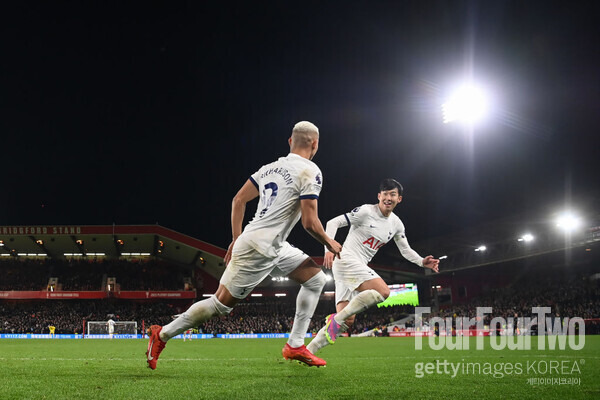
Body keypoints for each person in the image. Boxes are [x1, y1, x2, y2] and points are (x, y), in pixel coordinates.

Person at [146, 121, 342, 369]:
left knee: (315, 280)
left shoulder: (269, 168)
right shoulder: (311, 171)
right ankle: (161, 334)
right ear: (315, 144)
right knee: (220, 305)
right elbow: (310, 222)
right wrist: (330, 242)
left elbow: (238, 200)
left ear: (290, 142)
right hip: (260, 248)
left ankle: (295, 344)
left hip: (271, 244)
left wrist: (236, 238)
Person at [307, 179, 439, 355]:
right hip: (347, 258)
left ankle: (308, 350)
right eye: (385, 194)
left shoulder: (396, 224)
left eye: (392, 194)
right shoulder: (365, 211)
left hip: (353, 267)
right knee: (383, 291)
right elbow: (333, 223)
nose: (388, 198)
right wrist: (328, 246)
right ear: (379, 196)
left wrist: (422, 261)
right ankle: (335, 319)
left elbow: (405, 250)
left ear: (399, 199)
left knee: (347, 322)